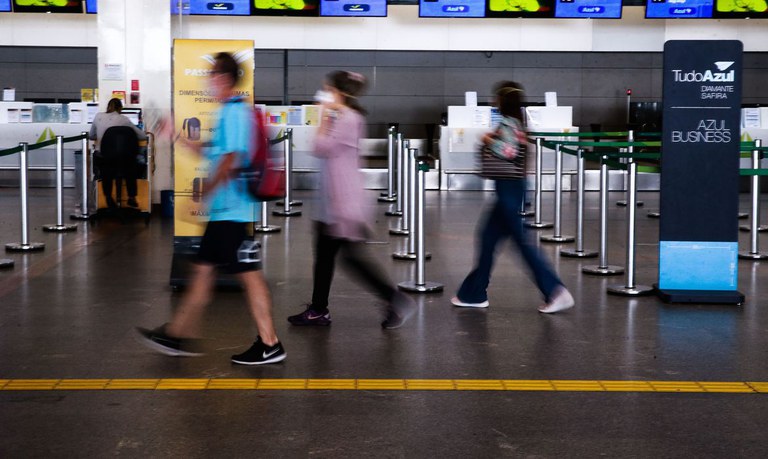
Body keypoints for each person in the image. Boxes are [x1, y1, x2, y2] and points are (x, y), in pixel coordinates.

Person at [137, 52, 286, 365]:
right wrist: (176, 135)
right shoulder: (227, 113)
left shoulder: (233, 113)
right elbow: (214, 152)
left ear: (223, 79)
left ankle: (270, 343)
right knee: (205, 272)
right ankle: (178, 334)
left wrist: (204, 193)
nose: (208, 82)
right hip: (225, 211)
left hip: (231, 211)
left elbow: (232, 159)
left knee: (248, 276)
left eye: (211, 77)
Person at [287, 70, 416, 329]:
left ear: (336, 91)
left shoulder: (346, 118)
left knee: (350, 258)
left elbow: (320, 147)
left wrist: (323, 116)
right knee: (328, 256)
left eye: (326, 88)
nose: (321, 93)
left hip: (341, 201)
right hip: (333, 199)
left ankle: (394, 299)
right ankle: (318, 309)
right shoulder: (343, 116)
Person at [451, 81, 574, 314]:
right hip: (511, 189)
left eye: (495, 98)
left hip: (508, 190)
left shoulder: (508, 123)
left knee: (520, 242)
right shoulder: (519, 123)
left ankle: (555, 290)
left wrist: (487, 140)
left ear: (502, 101)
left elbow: (509, 151)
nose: (492, 101)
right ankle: (473, 293)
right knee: (487, 239)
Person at [89, 98, 147, 208]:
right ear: (120, 108)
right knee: (132, 165)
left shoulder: (98, 116)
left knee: (106, 169)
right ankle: (131, 197)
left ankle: (108, 197)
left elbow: (91, 135)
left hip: (104, 159)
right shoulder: (124, 119)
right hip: (123, 160)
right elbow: (142, 136)